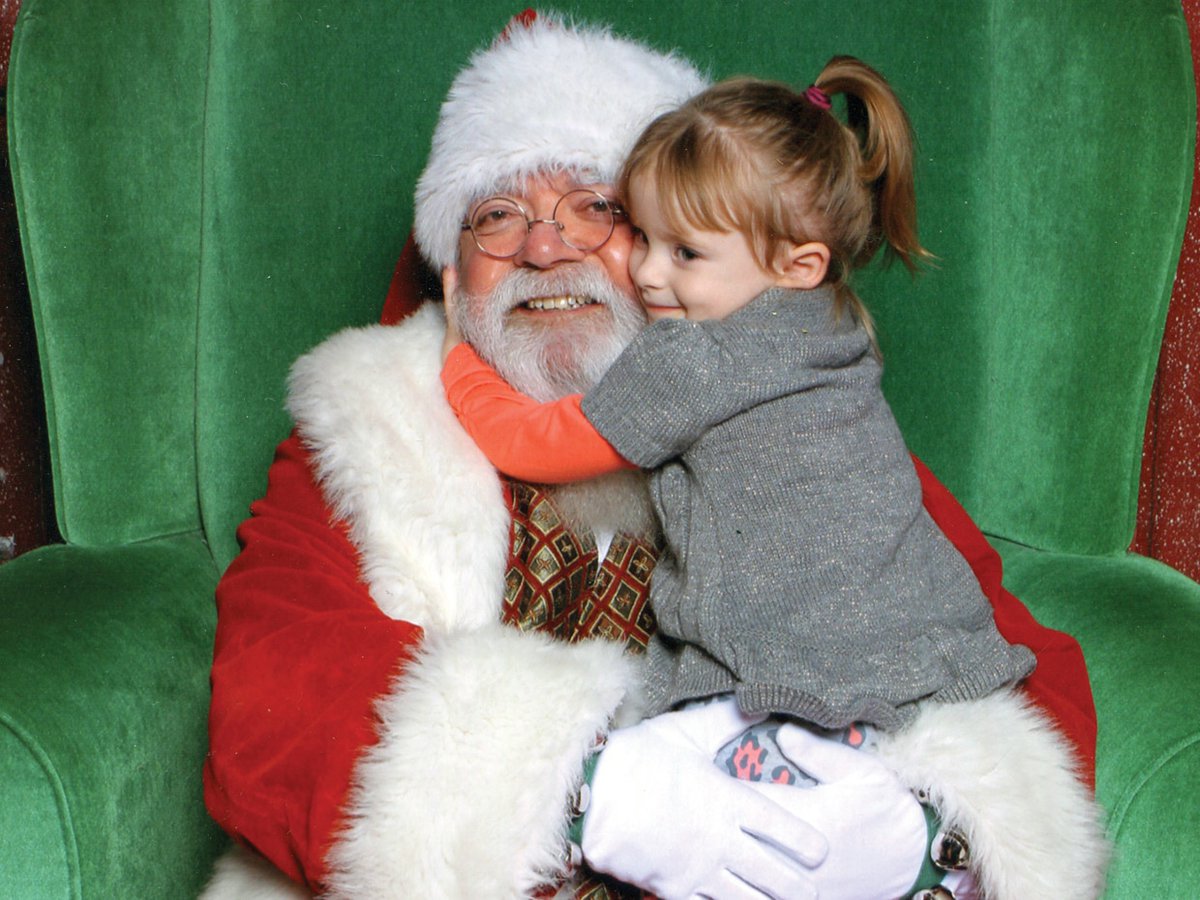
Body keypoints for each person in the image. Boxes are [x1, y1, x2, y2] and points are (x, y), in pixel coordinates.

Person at [202, 13, 1108, 900]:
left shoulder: (791, 422)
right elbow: (270, 696)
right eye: (496, 215)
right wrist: (583, 795)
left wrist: (919, 834)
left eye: (595, 207)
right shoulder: (367, 425)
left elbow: (1001, 656)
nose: (544, 247)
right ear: (451, 270)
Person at [441, 60, 1038, 745]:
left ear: (798, 264)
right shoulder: (837, 327)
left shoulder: (690, 356)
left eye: (685, 253)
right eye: (647, 236)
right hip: (917, 661)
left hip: (779, 679)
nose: (649, 272)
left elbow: (534, 444)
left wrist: (457, 361)